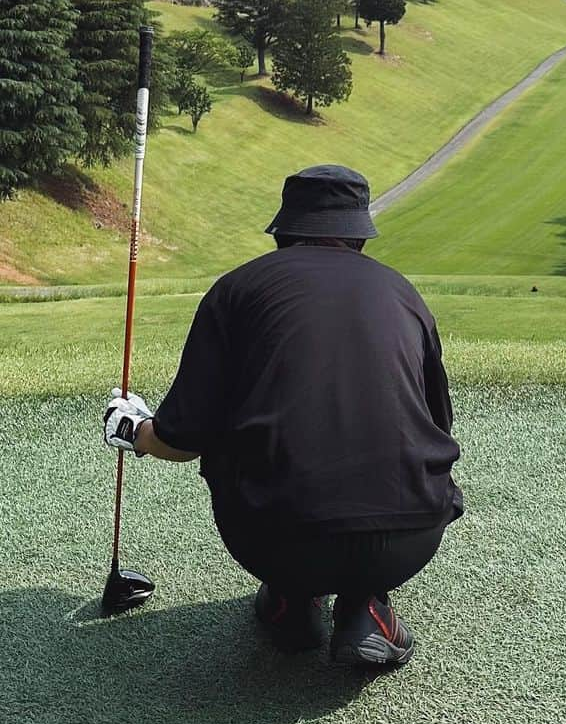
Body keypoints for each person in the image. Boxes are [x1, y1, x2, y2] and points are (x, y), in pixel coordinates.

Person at [102, 164, 463, 666]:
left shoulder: (237, 290)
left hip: (277, 542)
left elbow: (184, 439)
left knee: (250, 460)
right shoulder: (404, 293)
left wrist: (133, 430)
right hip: (410, 537)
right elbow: (438, 425)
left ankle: (292, 601)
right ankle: (366, 611)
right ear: (359, 235)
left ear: (284, 230)